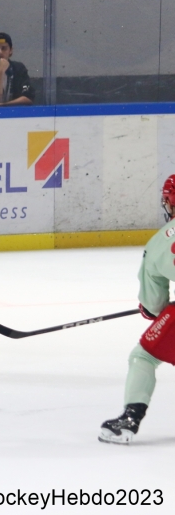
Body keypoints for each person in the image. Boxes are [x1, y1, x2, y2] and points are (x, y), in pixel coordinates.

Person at [98, 175, 175, 444]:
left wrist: (151, 311)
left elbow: (154, 304)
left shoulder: (160, 242)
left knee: (143, 357)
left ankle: (130, 419)